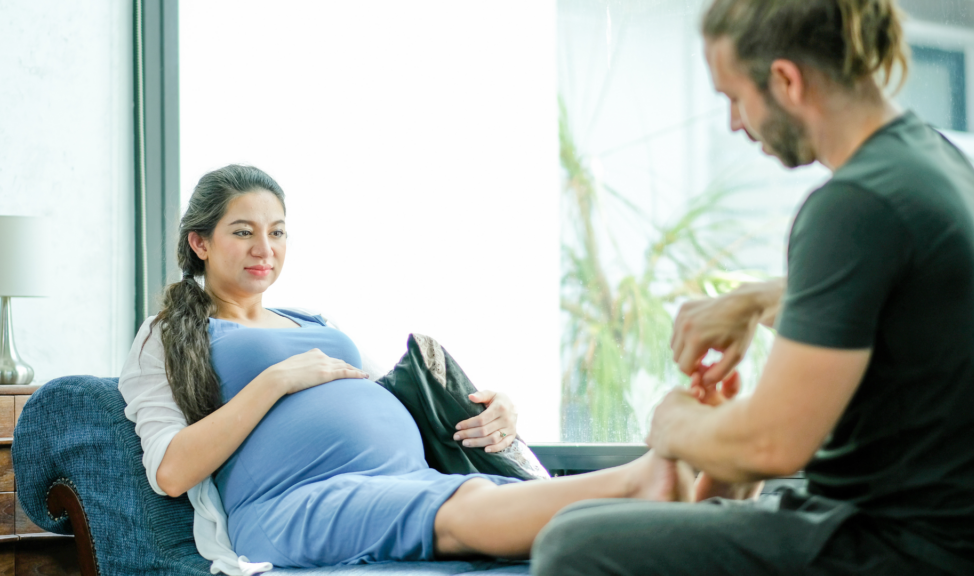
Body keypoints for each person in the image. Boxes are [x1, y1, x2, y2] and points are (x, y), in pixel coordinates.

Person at [531, 1, 974, 575]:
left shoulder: (855, 205)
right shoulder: (927, 158)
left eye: (735, 99)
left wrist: (674, 423)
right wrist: (752, 301)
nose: (736, 123)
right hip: (940, 538)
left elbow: (773, 447)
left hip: (895, 549)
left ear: (786, 80)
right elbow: (884, 296)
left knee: (570, 546)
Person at [119, 164, 687, 572]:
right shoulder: (167, 333)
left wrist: (499, 414)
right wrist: (276, 380)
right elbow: (170, 471)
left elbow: (387, 398)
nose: (264, 247)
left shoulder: (313, 320)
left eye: (278, 231)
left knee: (486, 501)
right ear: (200, 242)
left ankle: (681, 512)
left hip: (406, 477)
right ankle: (649, 483)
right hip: (297, 502)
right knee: (463, 510)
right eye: (242, 231)